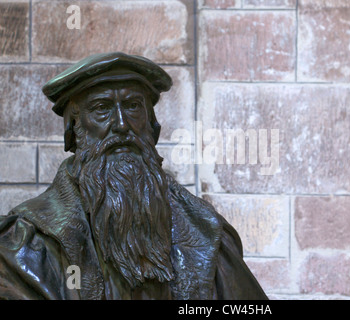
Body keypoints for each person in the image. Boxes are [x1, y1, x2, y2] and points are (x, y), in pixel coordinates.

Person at [0, 52, 268, 300]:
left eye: (132, 106)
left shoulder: (207, 235)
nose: (120, 124)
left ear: (152, 126)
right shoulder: (25, 247)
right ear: (74, 130)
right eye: (101, 108)